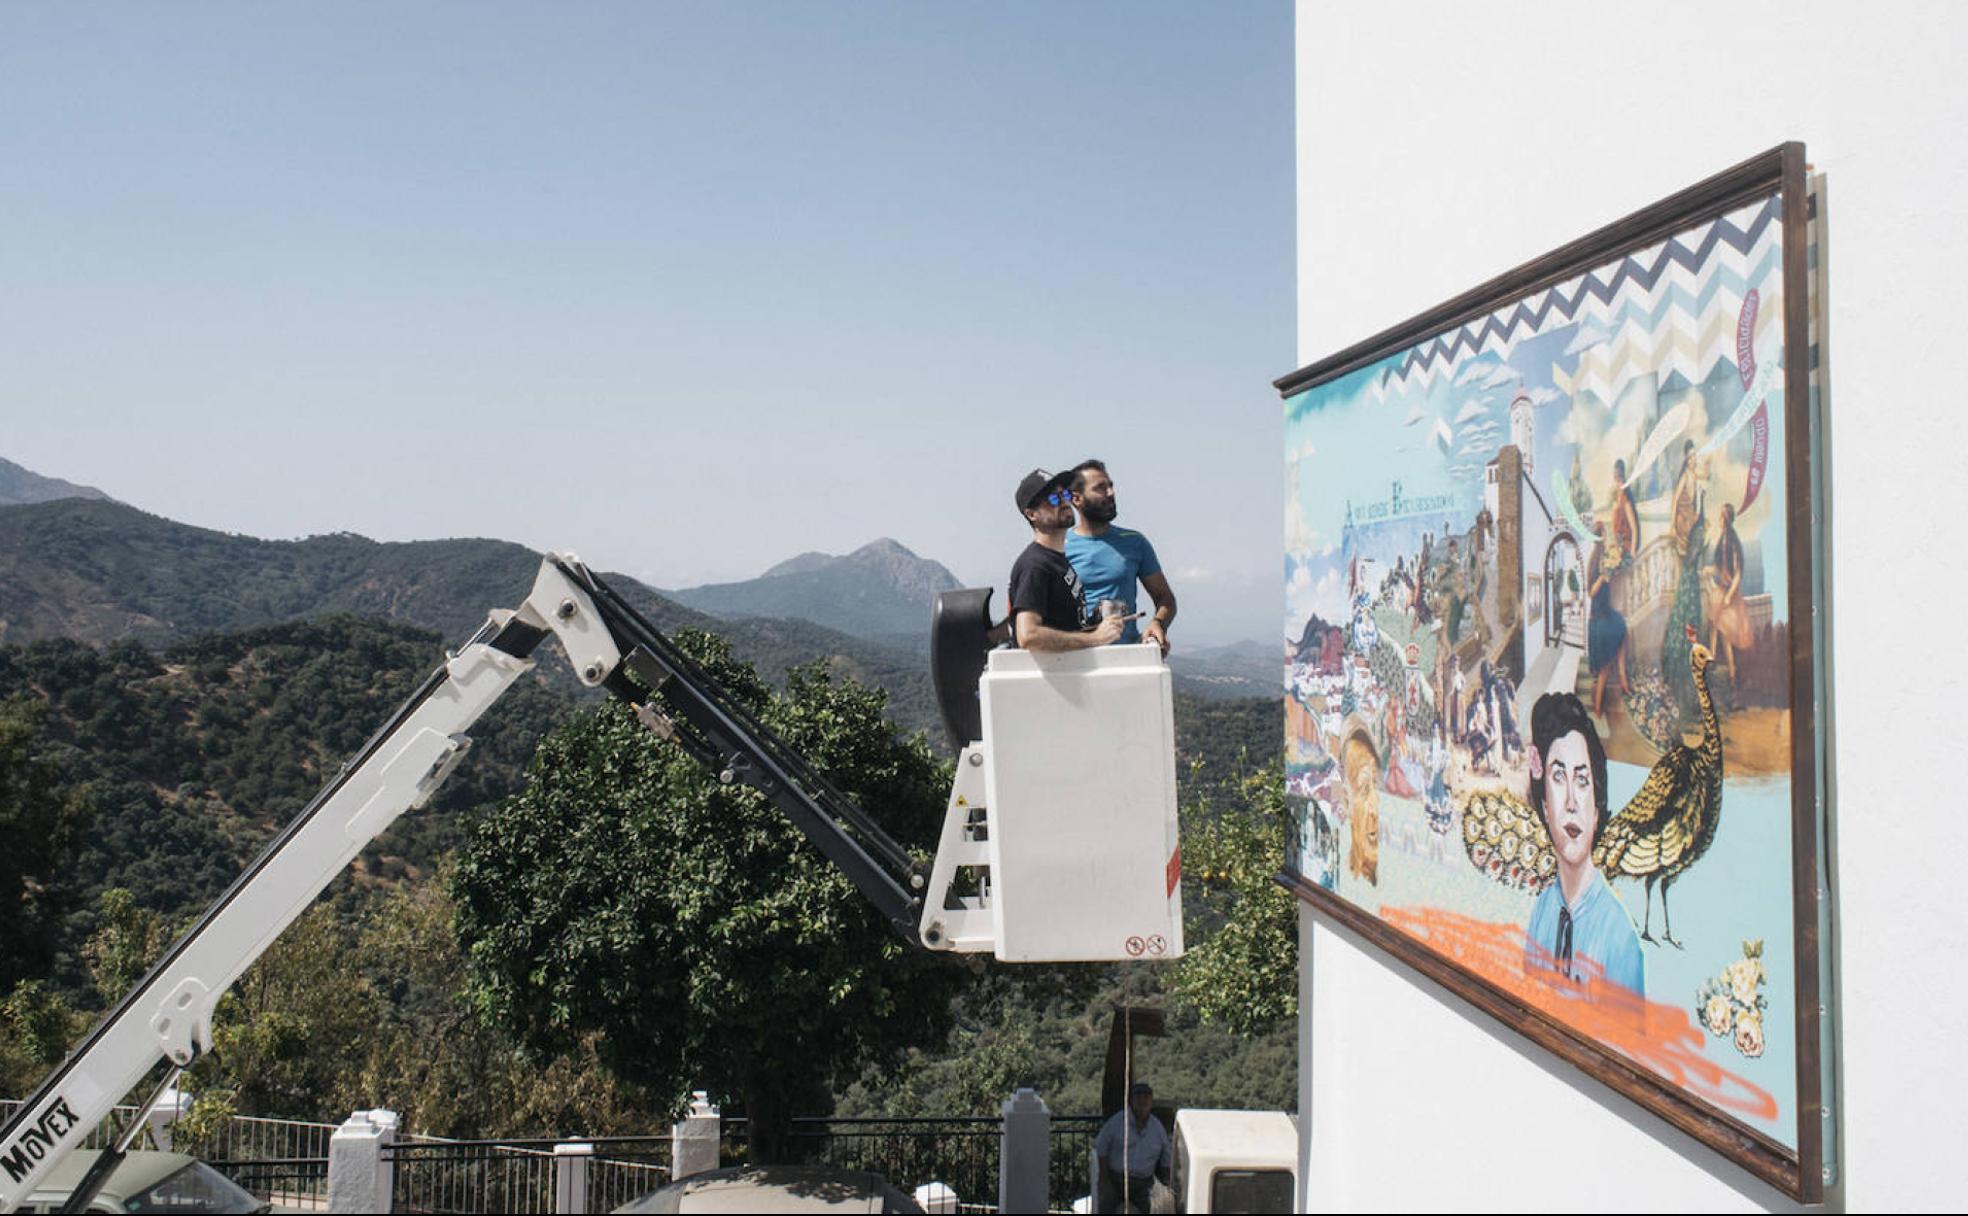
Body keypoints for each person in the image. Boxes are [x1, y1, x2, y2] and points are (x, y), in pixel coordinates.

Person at [1522, 692, 1644, 997]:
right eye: (1559, 776)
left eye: (1582, 780)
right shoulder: (1543, 911)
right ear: (1545, 804)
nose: (1572, 802)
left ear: (1597, 808)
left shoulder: (1620, 936)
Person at [1064, 459, 1177, 655]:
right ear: (1077, 499)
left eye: (1110, 486)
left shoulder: (1135, 542)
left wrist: (1158, 624)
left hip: (1126, 659)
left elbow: (1165, 598)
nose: (1111, 493)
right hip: (1073, 663)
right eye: (1100, 488)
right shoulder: (1059, 548)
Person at [1007, 468, 1126, 651]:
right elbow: (1028, 635)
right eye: (1053, 499)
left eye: (1064, 495)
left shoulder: (1058, 560)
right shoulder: (1035, 565)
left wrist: (1097, 620)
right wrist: (1095, 638)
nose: (1063, 502)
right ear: (1032, 515)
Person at [1094, 1081, 1171, 1214]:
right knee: (1105, 1206)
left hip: (1144, 1184)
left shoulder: (1157, 1128)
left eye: (1146, 1096)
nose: (1142, 1100)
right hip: (1115, 1180)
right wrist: (1105, 1180)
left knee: (1163, 1206)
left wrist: (1166, 1185)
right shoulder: (1117, 1122)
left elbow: (1166, 1158)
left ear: (1151, 1101)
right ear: (1131, 1100)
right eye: (1138, 1096)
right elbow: (1101, 1148)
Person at [1706, 501, 1752, 684]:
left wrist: (1729, 595)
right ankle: (1712, 660)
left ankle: (1732, 673)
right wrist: (1709, 570)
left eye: (1721, 516)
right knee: (1714, 624)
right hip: (1722, 589)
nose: (1718, 519)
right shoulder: (1722, 539)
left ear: (1725, 519)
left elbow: (1738, 573)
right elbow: (1719, 567)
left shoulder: (1733, 541)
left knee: (1724, 633)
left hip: (1730, 593)